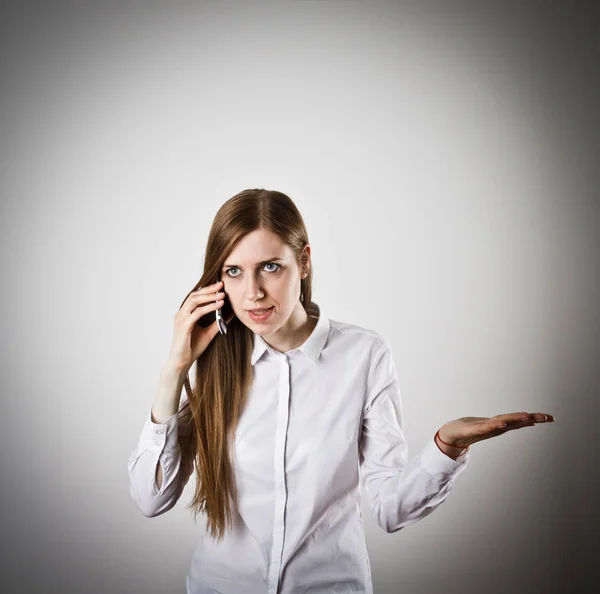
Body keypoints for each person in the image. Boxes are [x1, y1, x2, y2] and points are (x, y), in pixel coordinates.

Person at [127, 188, 555, 594]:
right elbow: (150, 499)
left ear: (304, 262)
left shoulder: (364, 355)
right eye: (234, 271)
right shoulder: (217, 359)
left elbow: (390, 508)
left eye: (270, 267)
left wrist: (446, 447)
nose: (252, 292)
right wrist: (175, 369)